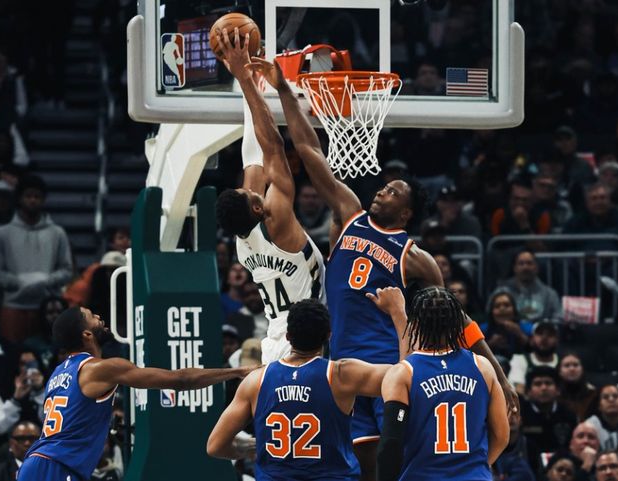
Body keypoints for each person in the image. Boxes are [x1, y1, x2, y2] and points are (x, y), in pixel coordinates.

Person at [247, 54, 516, 480]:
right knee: (361, 468)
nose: (382, 191)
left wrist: (498, 374)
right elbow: (311, 151)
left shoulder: (416, 258)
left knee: (393, 465)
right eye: (385, 186)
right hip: (343, 369)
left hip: (391, 370)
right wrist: (283, 89)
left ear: (406, 212)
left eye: (392, 192)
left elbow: (454, 319)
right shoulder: (348, 214)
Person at [17, 306, 255, 480]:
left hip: (40, 463)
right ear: (87, 335)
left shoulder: (58, 373)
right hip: (56, 467)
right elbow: (179, 379)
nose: (100, 317)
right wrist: (237, 372)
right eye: (92, 316)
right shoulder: (100, 369)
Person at [207, 287, 409, 481]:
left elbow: (215, 446)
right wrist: (398, 312)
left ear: (288, 336)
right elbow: (408, 375)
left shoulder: (256, 380)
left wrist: (248, 449)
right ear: (329, 335)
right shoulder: (341, 375)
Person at [214, 30, 325, 364]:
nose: (251, 186)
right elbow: (273, 147)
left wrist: (248, 82)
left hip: (276, 338)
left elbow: (253, 156)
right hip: (301, 342)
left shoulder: (243, 241)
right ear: (257, 206)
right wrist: (246, 79)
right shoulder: (277, 222)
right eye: (249, 192)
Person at [377, 287, 509, 481]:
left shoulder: (403, 373)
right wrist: (478, 465)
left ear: (415, 326)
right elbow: (501, 435)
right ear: (457, 326)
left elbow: (391, 442)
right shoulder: (483, 367)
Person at [0, 174, 73, 343]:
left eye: (37, 196)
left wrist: (45, 281)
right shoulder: (3, 233)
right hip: (14, 305)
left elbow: (67, 270)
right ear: (19, 198)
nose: (33, 200)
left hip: (48, 306)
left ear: (43, 199)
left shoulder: (57, 233)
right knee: (12, 353)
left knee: (51, 352)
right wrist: (19, 282)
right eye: (28, 196)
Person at [520, 366, 578, 460]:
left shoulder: (569, 415)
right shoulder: (520, 415)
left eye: (548, 383)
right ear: (528, 391)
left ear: (558, 390)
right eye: (538, 384)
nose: (544, 388)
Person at [498, 250, 563, 322]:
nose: (525, 267)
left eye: (529, 263)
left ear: (536, 267)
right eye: (521, 263)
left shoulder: (550, 294)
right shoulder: (502, 292)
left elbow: (558, 319)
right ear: (514, 268)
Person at [509, 320, 561, 395]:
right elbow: (517, 390)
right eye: (540, 334)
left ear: (557, 340)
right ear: (531, 339)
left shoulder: (564, 362)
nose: (544, 338)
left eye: (550, 335)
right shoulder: (519, 360)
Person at [481, 290, 531, 359]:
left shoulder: (525, 327)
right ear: (491, 312)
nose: (502, 309)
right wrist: (491, 343)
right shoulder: (483, 329)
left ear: (514, 309)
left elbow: (533, 348)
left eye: (507, 305)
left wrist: (519, 333)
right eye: (497, 306)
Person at [492, 411, 537, 481]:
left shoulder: (529, 446)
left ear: (521, 420)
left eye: (515, 415)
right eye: (508, 414)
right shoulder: (492, 447)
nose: (512, 418)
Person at [557, 352, 597, 421]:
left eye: (575, 365)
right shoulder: (555, 396)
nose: (572, 369)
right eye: (567, 366)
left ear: (582, 370)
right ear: (560, 372)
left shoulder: (593, 395)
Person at [585, 384, 618, 451]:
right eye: (605, 397)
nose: (611, 399)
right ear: (599, 406)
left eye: (615, 396)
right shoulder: (590, 426)